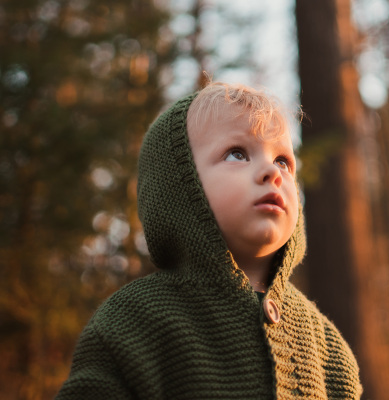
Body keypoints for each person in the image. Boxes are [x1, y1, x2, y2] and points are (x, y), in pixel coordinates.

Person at [56, 81, 362, 399]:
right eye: (237, 154)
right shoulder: (132, 323)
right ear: (178, 187)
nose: (272, 172)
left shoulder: (328, 346)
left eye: (283, 161)